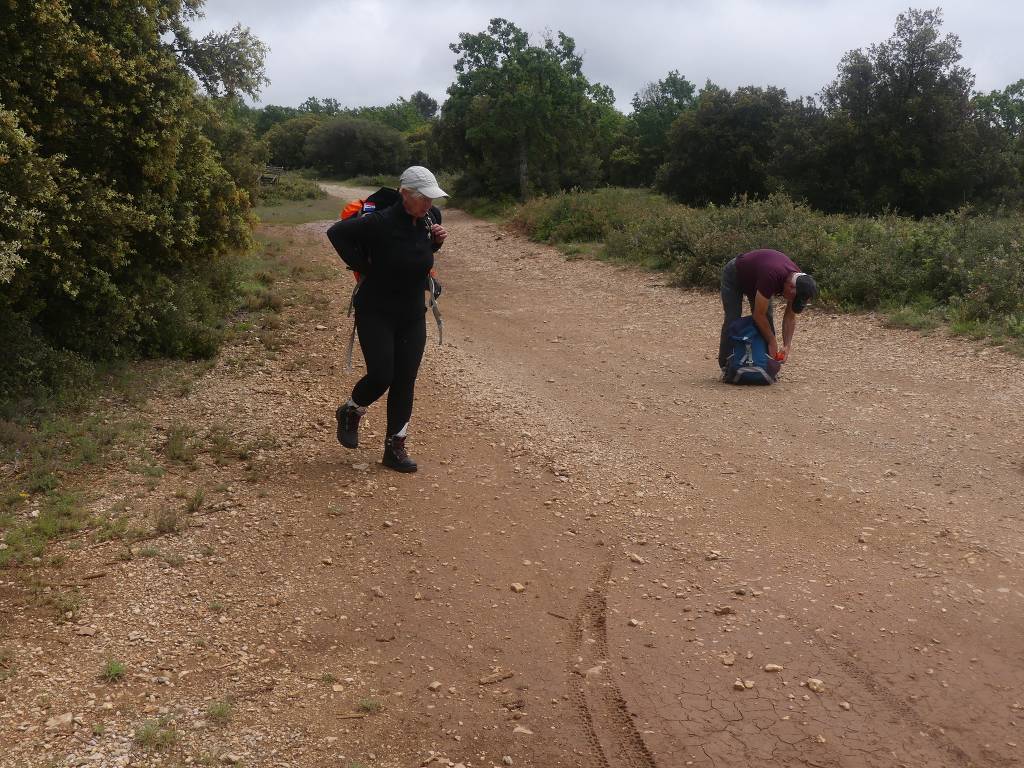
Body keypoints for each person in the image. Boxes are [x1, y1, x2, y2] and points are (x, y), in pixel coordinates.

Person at [326, 166, 448, 473]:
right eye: (424, 198)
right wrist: (363, 266)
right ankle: (351, 411)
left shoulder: (430, 220)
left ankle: (395, 448)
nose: (429, 204)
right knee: (382, 376)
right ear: (404, 194)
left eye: (432, 198)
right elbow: (336, 233)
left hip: (411, 313)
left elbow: (416, 253)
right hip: (376, 310)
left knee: (405, 381)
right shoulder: (378, 222)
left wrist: (435, 244)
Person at [718, 249, 818, 372]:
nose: (793, 301)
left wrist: (787, 346)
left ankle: (766, 364)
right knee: (733, 319)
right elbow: (758, 315)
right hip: (735, 274)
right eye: (794, 298)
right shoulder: (771, 276)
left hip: (757, 278)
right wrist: (771, 340)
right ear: (790, 287)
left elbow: (790, 316)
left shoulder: (800, 283)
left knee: (767, 319)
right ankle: (726, 364)